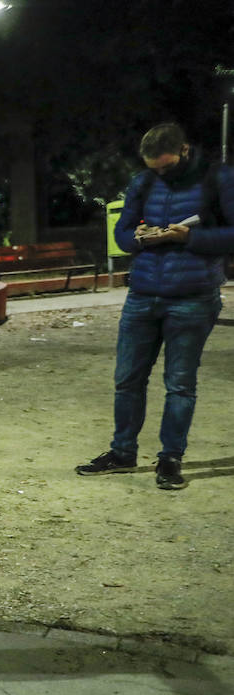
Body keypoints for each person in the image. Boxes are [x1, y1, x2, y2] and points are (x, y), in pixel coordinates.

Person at [76, 123, 233, 490]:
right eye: (152, 167)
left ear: (184, 150)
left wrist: (190, 236)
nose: (158, 173)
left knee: (179, 384)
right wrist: (137, 237)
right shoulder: (142, 182)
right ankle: (122, 452)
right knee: (127, 380)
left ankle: (170, 459)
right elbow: (121, 234)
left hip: (193, 297)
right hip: (143, 294)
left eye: (165, 166)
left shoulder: (218, 179)